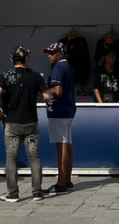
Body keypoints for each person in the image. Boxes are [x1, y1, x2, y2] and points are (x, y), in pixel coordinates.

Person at [0, 46, 53, 202]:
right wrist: (36, 91)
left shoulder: (5, 75)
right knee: (34, 158)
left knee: (11, 159)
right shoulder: (36, 76)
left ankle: (13, 193)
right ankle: (37, 192)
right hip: (31, 123)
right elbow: (47, 96)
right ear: (26, 59)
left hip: (12, 123)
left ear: (11, 60)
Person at [45, 42, 77, 194]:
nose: (49, 56)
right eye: (49, 53)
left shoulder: (58, 67)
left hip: (59, 110)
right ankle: (67, 180)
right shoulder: (68, 66)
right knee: (67, 144)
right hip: (68, 109)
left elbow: (58, 91)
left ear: (61, 53)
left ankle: (61, 183)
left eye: (53, 53)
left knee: (62, 145)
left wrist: (45, 91)